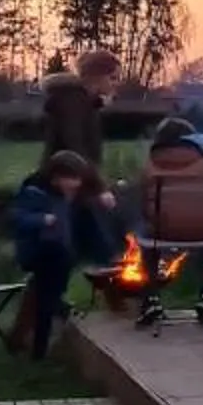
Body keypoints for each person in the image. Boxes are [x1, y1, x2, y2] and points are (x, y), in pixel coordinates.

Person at [39, 49, 125, 296]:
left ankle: (54, 306)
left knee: (82, 250)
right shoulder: (73, 102)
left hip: (74, 186)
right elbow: (76, 149)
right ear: (96, 77)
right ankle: (48, 308)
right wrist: (99, 188)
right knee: (77, 251)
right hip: (64, 186)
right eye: (112, 78)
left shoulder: (81, 102)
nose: (115, 84)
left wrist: (96, 104)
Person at [137, 115, 203, 327]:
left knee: (143, 239)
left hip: (164, 230)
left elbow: (143, 204)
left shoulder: (149, 167)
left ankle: (151, 300)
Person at [9, 151, 95, 359]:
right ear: (56, 177)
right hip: (37, 252)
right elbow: (18, 219)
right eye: (72, 179)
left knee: (48, 292)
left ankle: (56, 312)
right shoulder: (34, 192)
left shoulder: (64, 194)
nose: (76, 184)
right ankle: (46, 337)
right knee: (47, 295)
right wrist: (42, 219)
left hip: (58, 254)